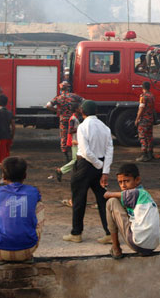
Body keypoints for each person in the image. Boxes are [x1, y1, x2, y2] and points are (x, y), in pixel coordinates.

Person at [63, 100, 113, 245]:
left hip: (85, 164)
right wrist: (104, 170)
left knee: (79, 199)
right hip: (100, 164)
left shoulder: (83, 126)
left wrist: (98, 164)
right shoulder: (105, 127)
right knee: (102, 199)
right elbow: (110, 150)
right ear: (96, 111)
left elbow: (85, 151)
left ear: (82, 112)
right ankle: (109, 233)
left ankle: (76, 233)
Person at [0, 157, 44, 263]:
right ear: (25, 176)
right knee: (39, 205)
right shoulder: (33, 191)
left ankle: (0, 257)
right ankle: (27, 256)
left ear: (3, 177)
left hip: (1, 249)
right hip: (28, 248)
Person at [103, 163, 160, 259]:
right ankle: (140, 249)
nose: (123, 185)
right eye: (120, 182)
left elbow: (107, 195)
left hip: (138, 243)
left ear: (137, 180)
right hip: (152, 246)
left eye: (126, 181)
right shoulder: (144, 195)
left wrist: (107, 193)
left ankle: (116, 248)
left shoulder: (137, 193)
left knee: (111, 202)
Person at [46, 81, 83, 163]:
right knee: (75, 135)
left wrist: (57, 111)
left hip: (63, 119)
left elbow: (48, 105)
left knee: (64, 136)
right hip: (73, 119)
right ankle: (77, 154)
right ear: (68, 88)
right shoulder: (74, 96)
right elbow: (84, 101)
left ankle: (66, 156)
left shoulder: (58, 98)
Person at [55, 105, 83, 183]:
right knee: (76, 160)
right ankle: (61, 170)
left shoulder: (74, 118)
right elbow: (70, 130)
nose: (81, 109)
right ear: (76, 109)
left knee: (77, 160)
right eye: (79, 108)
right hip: (75, 142)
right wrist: (80, 129)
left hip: (76, 141)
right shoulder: (73, 119)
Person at [135, 81, 155, 162]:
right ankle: (150, 153)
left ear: (142, 88)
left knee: (142, 137)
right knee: (149, 136)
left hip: (144, 120)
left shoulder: (143, 96)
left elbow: (141, 108)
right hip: (150, 119)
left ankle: (144, 154)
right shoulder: (152, 96)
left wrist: (137, 119)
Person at [0, 94, 15, 169]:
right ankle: (7, 165)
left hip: (1, 136)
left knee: (0, 155)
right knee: (6, 152)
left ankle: (4, 168)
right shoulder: (10, 113)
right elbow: (13, 126)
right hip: (8, 135)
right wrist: (12, 136)